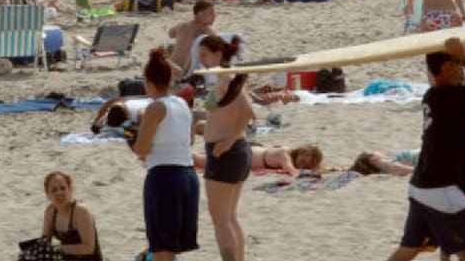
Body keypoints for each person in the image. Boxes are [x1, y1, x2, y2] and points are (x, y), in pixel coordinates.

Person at [385, 38, 465, 261]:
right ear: (446, 67)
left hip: (421, 185)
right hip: (439, 187)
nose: (461, 69)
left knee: (409, 249)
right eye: (457, 64)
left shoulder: (434, 96)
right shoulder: (447, 96)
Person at [132, 47, 199, 261]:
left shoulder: (155, 108)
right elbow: (190, 140)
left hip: (164, 178)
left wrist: (130, 136)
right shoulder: (181, 104)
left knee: (161, 248)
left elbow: (141, 148)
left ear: (147, 81)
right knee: (172, 248)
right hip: (188, 176)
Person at [198, 35, 252, 261]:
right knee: (229, 217)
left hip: (227, 151)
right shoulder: (226, 77)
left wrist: (228, 140)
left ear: (218, 54)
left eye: (205, 56)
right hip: (233, 151)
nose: (202, 61)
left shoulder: (228, 77)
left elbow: (248, 111)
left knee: (221, 219)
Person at [41, 170, 103, 261]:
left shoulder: (81, 212)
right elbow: (44, 242)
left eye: (63, 188)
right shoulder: (50, 211)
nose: (59, 193)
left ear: (70, 189)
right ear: (48, 194)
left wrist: (58, 248)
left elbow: (89, 248)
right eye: (54, 190)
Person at [196, 143, 322, 174]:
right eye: (304, 162)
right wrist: (309, 172)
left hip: (247, 152)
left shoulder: (290, 151)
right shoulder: (284, 155)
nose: (302, 166)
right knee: (202, 160)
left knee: (209, 156)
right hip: (242, 157)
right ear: (302, 154)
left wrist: (314, 168)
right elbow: (291, 170)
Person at [169, 0, 217, 77]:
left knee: (170, 47)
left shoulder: (182, 26)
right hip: (184, 73)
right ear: (200, 14)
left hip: (170, 66)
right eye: (211, 13)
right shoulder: (208, 33)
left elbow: (170, 34)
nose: (214, 16)